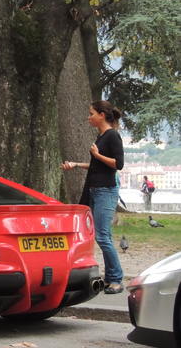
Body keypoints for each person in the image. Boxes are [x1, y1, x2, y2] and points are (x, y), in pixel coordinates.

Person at [61, 100, 125, 294]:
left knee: (102, 236)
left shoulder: (112, 136)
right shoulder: (101, 136)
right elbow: (98, 166)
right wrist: (77, 165)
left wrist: (97, 155)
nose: (89, 117)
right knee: (102, 235)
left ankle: (116, 279)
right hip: (96, 190)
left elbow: (118, 164)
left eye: (91, 114)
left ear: (102, 115)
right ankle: (110, 277)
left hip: (106, 190)